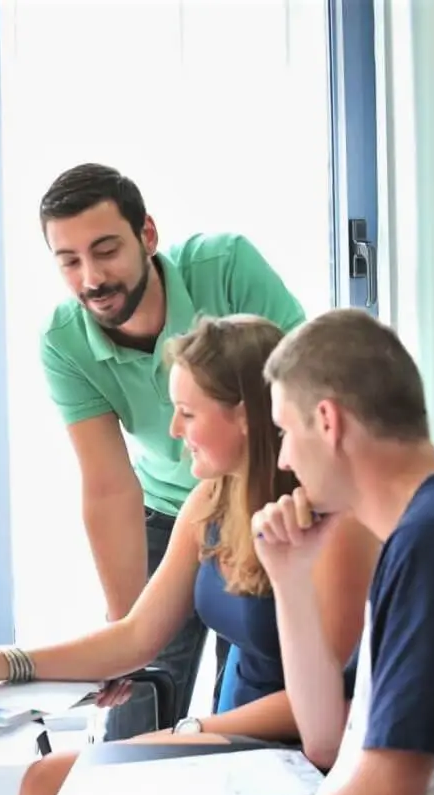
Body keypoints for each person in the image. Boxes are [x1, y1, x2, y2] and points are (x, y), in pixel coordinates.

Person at [0, 315, 378, 795]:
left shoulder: (333, 524)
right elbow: (135, 637)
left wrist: (192, 729)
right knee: (41, 785)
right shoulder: (210, 500)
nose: (173, 429)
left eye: (188, 413)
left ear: (242, 416)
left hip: (294, 757)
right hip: (225, 745)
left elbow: (322, 705)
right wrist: (6, 661)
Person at [123, 308, 434, 795]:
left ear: (327, 423)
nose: (281, 458)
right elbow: (326, 740)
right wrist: (290, 578)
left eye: (284, 431)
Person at [37, 163, 308, 739]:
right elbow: (109, 487)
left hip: (263, 499)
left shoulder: (228, 266)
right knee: (133, 711)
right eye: (69, 261)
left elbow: (303, 395)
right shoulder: (63, 341)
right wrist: (123, 633)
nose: (91, 276)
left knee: (239, 698)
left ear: (148, 236)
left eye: (106, 250)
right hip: (168, 509)